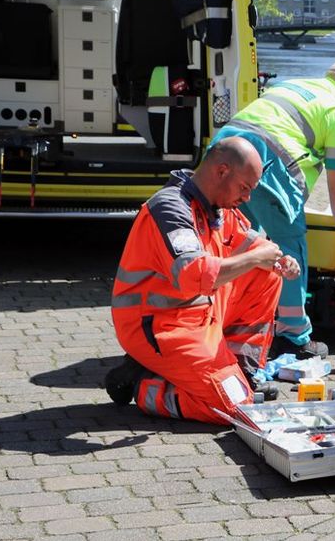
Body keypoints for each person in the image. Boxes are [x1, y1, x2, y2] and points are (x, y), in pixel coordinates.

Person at [105, 137, 302, 425]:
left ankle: (240, 375)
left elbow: (254, 245)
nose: (247, 198)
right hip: (158, 326)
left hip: (197, 317)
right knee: (233, 408)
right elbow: (192, 275)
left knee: (267, 274)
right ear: (222, 171)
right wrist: (255, 259)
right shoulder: (171, 209)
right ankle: (141, 384)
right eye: (244, 188)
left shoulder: (218, 207)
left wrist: (279, 260)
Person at [208, 59, 335, 359]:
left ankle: (220, 320)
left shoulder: (294, 85)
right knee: (290, 243)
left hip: (224, 150)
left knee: (233, 242)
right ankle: (295, 336)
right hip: (269, 169)